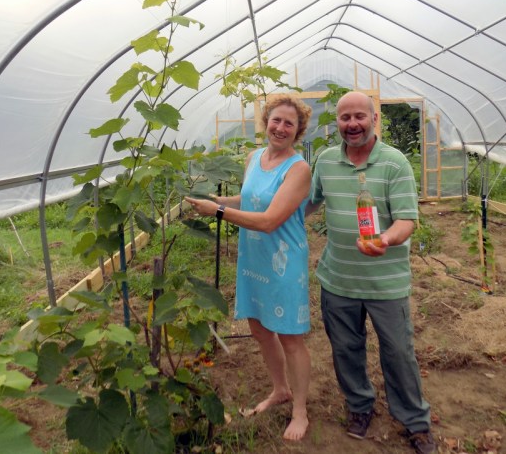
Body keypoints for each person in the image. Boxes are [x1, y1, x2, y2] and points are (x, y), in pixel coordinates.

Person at [305, 90, 435, 454]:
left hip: (386, 282)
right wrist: (268, 219)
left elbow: (408, 219)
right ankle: (360, 406)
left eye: (359, 116)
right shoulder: (327, 161)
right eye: (345, 118)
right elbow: (309, 203)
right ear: (337, 124)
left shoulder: (394, 163)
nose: (352, 124)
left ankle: (415, 421)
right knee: (346, 349)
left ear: (374, 119)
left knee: (398, 353)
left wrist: (386, 240)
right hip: (338, 279)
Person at [185, 94, 313, 441]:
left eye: (289, 123)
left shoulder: (298, 169)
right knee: (259, 329)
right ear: (266, 122)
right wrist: (218, 201)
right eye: (276, 120)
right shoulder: (254, 157)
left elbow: (271, 219)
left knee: (290, 336)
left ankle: (299, 411)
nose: (281, 128)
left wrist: (219, 214)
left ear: (298, 130)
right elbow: (252, 199)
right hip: (253, 256)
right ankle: (279, 389)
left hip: (283, 259)